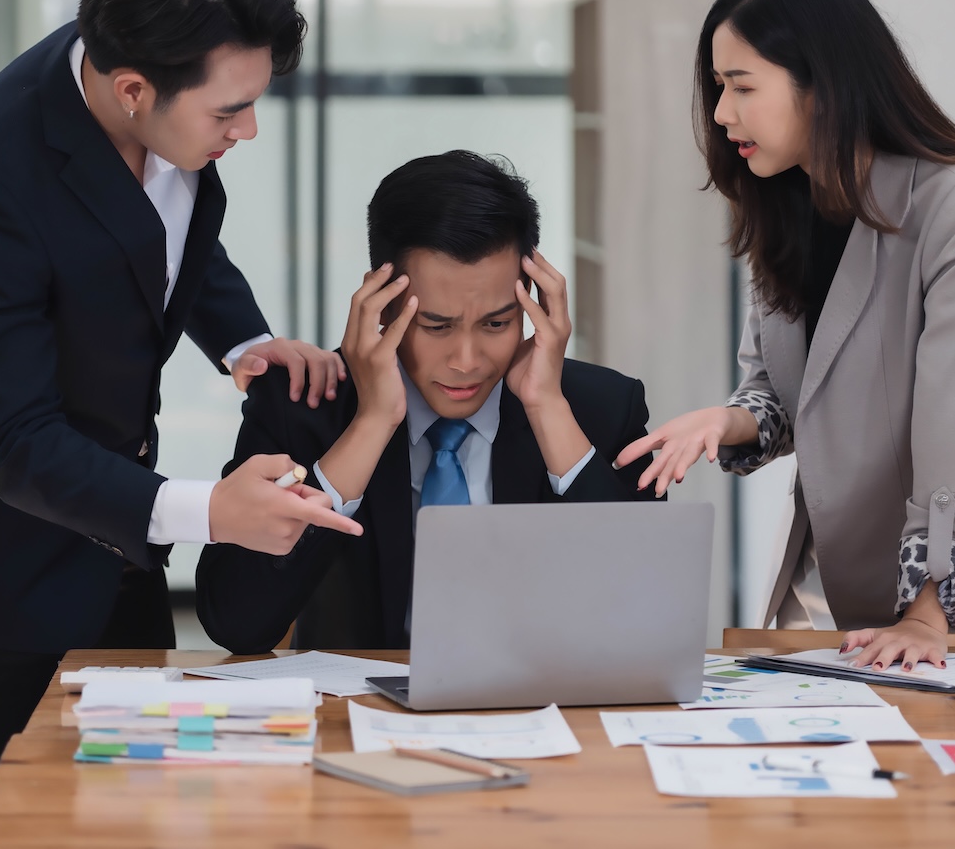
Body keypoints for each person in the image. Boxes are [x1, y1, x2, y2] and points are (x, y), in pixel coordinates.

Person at [0, 0, 362, 849]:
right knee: (1, 822)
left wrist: (245, 340)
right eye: (231, 111)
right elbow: (16, 442)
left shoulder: (149, 75)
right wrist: (211, 512)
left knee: (135, 808)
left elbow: (168, 233)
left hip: (119, 528)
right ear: (133, 90)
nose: (247, 131)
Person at [616, 0, 955, 671]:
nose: (722, 113)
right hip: (823, 593)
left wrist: (925, 611)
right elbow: (783, 394)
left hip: (949, 606)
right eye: (718, 88)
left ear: (820, 84)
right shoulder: (783, 201)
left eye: (741, 87)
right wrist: (723, 420)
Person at [195, 150, 660, 652]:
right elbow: (237, 623)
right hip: (360, 717)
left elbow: (648, 614)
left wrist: (547, 409)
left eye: (497, 323)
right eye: (436, 326)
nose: (467, 360)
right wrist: (371, 422)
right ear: (380, 304)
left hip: (547, 715)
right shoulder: (306, 407)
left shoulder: (603, 408)